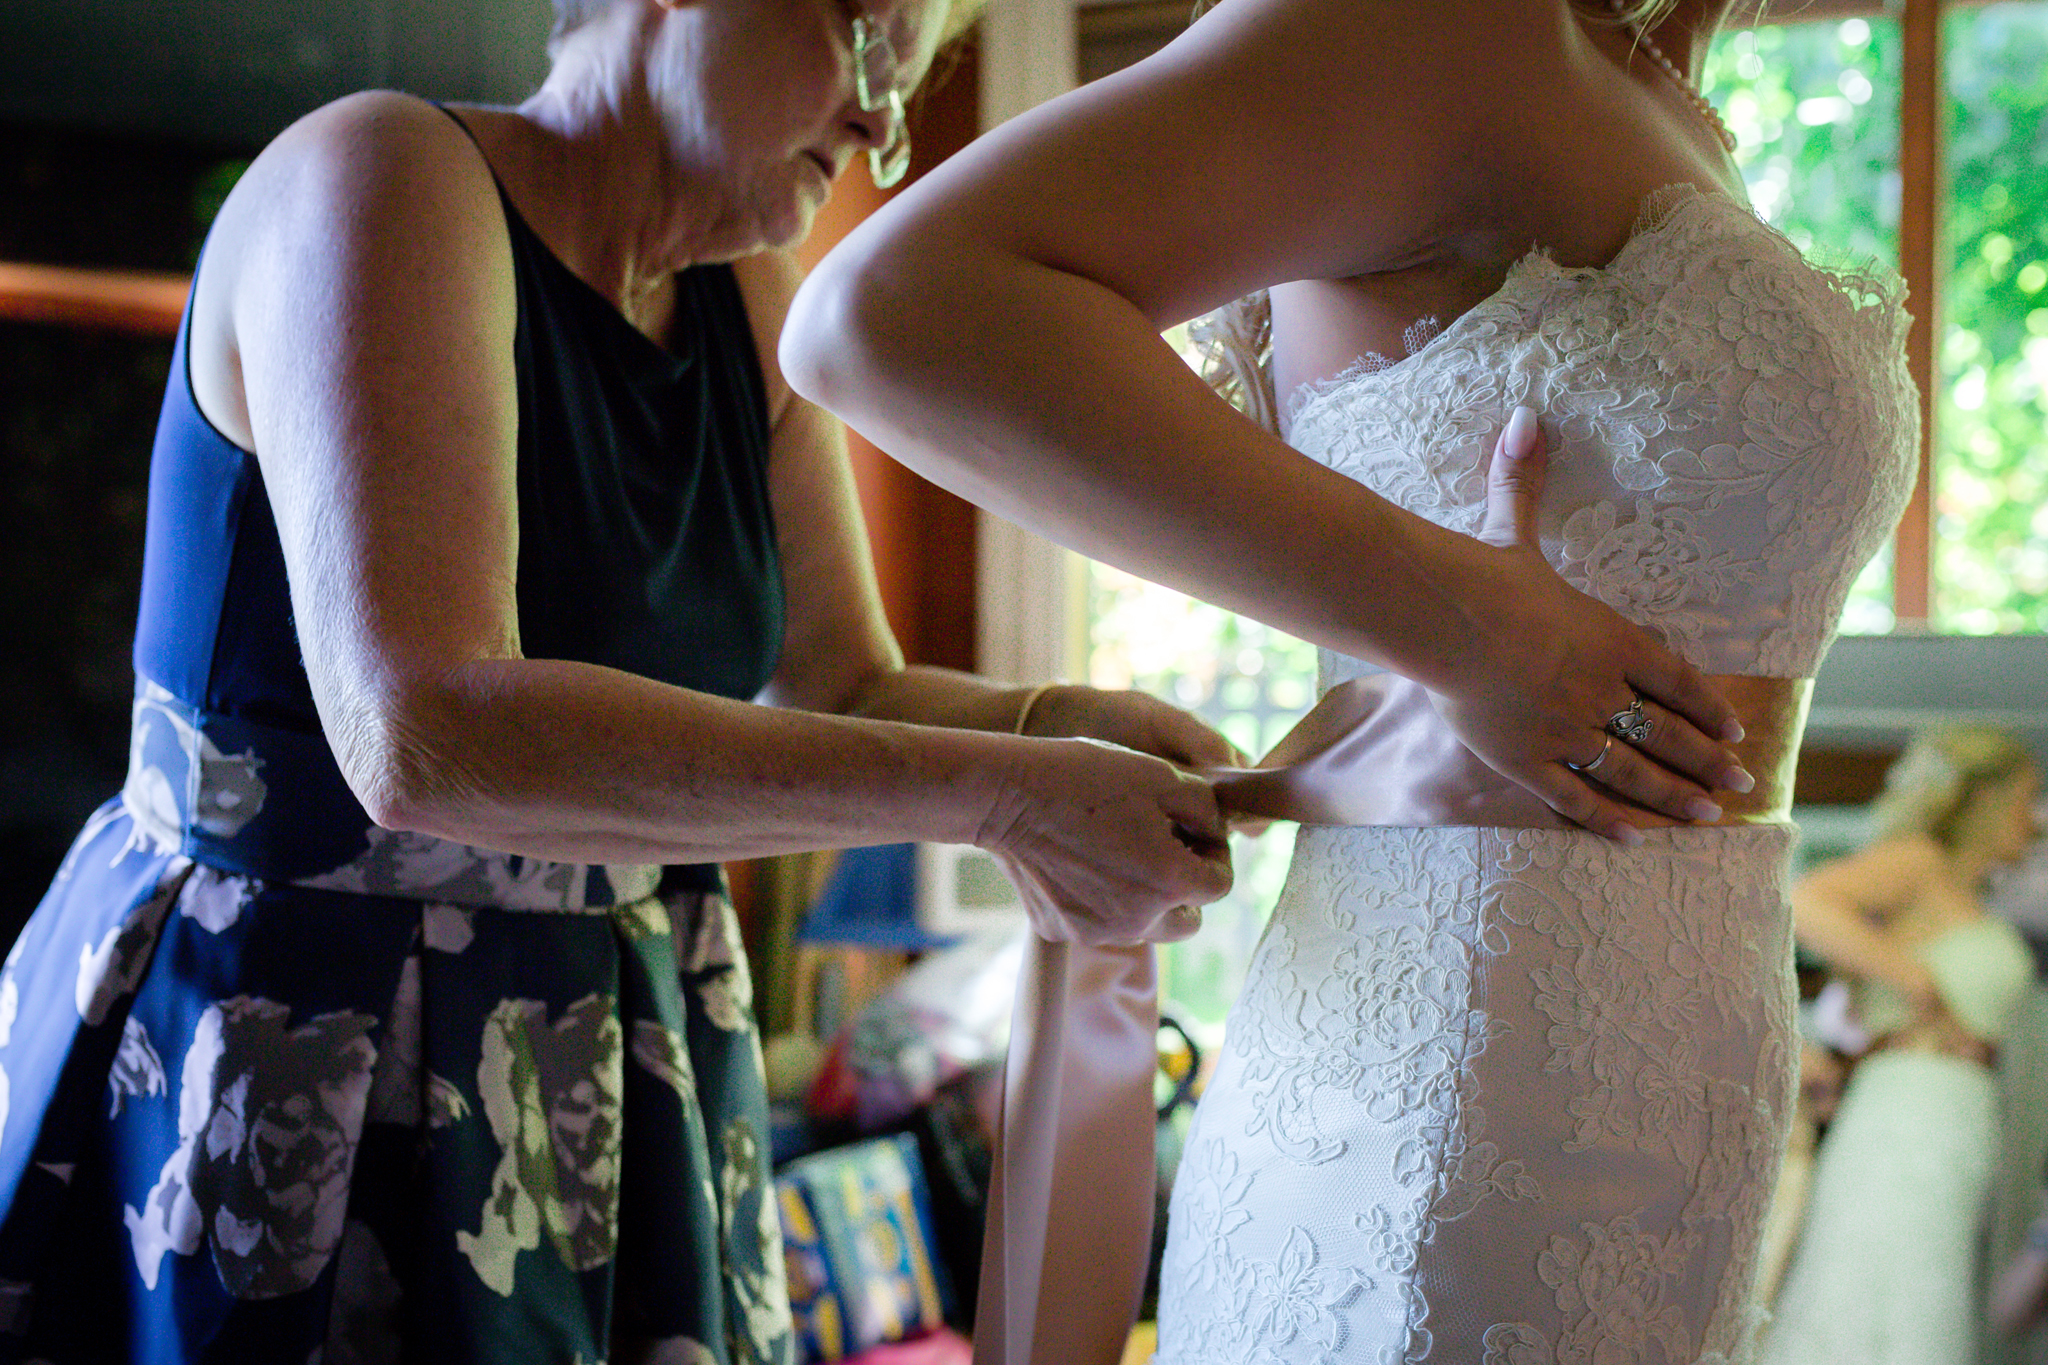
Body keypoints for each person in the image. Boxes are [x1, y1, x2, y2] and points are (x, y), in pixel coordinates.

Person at [0, 0, 1253, 1359]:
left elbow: (842, 690)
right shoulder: (381, 175)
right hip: (303, 1043)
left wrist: (1055, 725)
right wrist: (1008, 793)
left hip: (613, 1059)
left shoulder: (749, 296)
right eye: (869, 34)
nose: (883, 121)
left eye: (913, 72)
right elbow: (426, 730)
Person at [781, 0, 1922, 1354]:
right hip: (1452, 1090)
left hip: (1681, 1093)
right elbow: (884, 313)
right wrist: (1463, 624)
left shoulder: (1665, 82)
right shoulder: (1442, 26)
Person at [1762, 727, 2041, 1365]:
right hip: (1911, 1100)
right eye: (2024, 800)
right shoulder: (1917, 861)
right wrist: (1913, 978)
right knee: (1890, 1271)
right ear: (1984, 799)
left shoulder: (1976, 897)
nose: (2032, 820)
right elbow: (1806, 901)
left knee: (1928, 1272)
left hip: (1962, 1108)